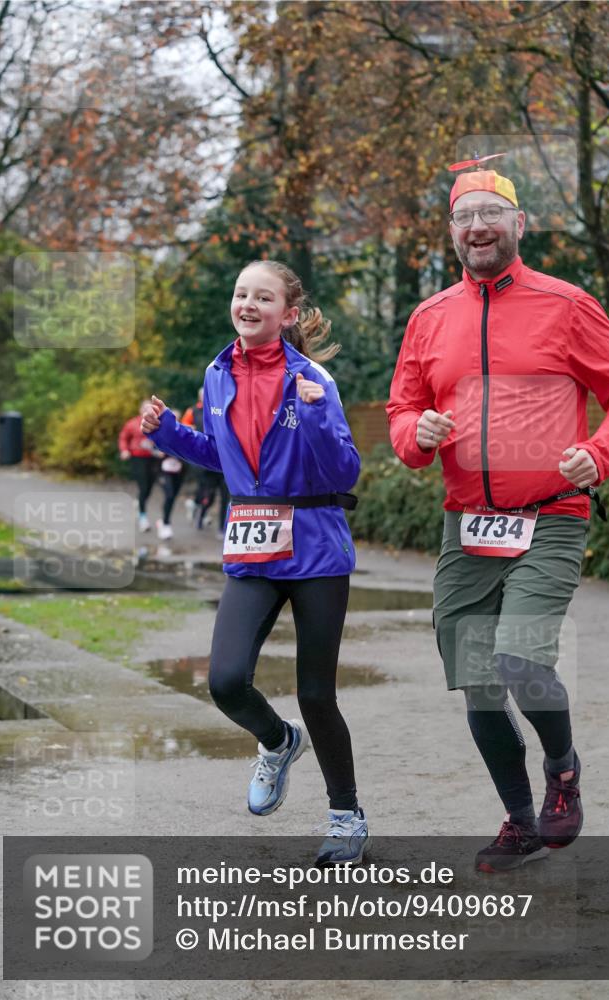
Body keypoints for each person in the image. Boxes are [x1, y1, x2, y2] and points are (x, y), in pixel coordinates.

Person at [387, 163, 609, 873]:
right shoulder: (430, 316)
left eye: (490, 215)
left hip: (550, 515)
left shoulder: (566, 305)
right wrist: (419, 435)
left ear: (518, 225)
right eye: (464, 216)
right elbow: (401, 411)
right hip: (466, 524)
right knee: (477, 680)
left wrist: (598, 454)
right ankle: (519, 820)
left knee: (519, 658)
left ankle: (561, 768)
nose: (477, 227)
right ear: (451, 231)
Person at [140, 260, 369, 865]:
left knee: (317, 693)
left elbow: (346, 471)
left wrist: (316, 413)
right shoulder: (218, 372)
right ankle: (277, 741)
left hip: (317, 546)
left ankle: (346, 817)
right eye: (240, 293)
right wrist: (166, 433)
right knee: (224, 680)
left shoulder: (312, 376)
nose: (247, 304)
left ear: (287, 313)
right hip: (252, 545)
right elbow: (223, 454)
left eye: (262, 297)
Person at [183, 389, 229, 533]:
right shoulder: (193, 411)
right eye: (203, 395)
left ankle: (222, 528)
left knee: (225, 497)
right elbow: (183, 428)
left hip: (224, 460)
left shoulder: (221, 407)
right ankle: (199, 514)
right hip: (203, 459)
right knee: (207, 494)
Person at [118, 400, 161, 532]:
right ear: (140, 410)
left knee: (149, 486)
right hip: (138, 458)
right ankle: (143, 517)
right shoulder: (132, 423)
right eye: (144, 408)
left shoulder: (157, 423)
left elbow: (163, 439)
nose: (147, 410)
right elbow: (123, 437)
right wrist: (124, 450)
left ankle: (140, 502)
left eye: (150, 408)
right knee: (143, 486)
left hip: (153, 458)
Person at [156, 409, 186, 540]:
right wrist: (160, 452)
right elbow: (154, 449)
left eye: (177, 418)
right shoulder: (161, 432)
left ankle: (164, 521)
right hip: (163, 470)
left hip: (178, 471)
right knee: (169, 495)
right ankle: (165, 523)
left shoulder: (183, 432)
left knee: (173, 496)